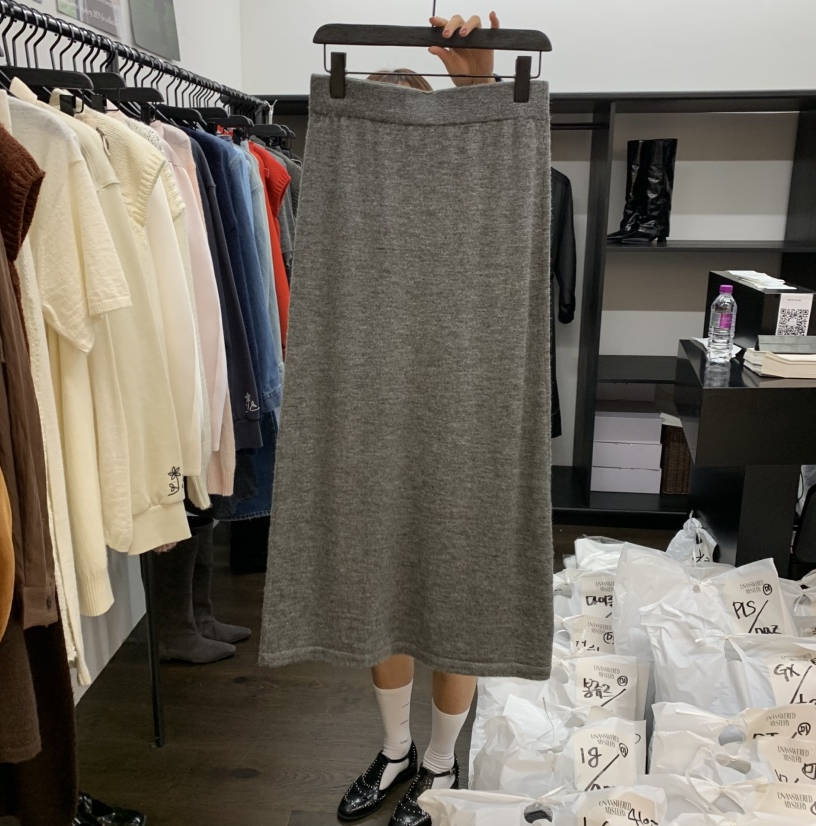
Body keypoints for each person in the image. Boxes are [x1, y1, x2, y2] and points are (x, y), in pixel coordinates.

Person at [337, 14, 503, 826]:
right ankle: (397, 748)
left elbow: (502, 177)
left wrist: (480, 85)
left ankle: (440, 761)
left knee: (458, 596)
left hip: (462, 413)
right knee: (380, 590)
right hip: (369, 414)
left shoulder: (471, 199)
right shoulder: (349, 210)